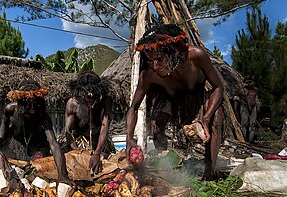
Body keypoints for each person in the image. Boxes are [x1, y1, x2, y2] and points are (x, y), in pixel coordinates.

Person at [126, 24, 224, 180]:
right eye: (150, 61)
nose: (155, 66)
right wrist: (129, 139)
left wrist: (206, 117)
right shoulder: (149, 74)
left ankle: (209, 171)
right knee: (156, 125)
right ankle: (164, 166)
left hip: (196, 94)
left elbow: (219, 87)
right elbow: (133, 108)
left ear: (175, 52)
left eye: (159, 59)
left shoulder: (196, 55)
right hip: (170, 96)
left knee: (216, 116)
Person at [0, 80, 72, 185]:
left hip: (36, 143)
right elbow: (3, 125)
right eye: (28, 104)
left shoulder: (42, 116)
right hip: (16, 141)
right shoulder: (10, 110)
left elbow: (53, 144)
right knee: (9, 165)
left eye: (35, 104)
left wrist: (63, 174)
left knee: (38, 167)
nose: (32, 109)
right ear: (21, 103)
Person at [64, 71, 115, 174]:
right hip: (79, 140)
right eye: (87, 95)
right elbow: (68, 131)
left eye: (93, 94)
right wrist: (74, 147)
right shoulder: (73, 103)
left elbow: (105, 126)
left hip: (99, 141)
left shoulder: (105, 100)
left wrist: (97, 152)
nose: (90, 97)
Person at [233, 77, 258, 143]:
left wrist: (255, 107)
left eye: (250, 82)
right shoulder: (241, 90)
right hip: (244, 107)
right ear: (244, 83)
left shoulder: (255, 90)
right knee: (244, 124)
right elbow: (236, 99)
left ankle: (251, 140)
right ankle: (244, 139)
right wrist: (236, 110)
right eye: (247, 82)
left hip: (253, 108)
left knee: (252, 124)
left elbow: (255, 100)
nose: (249, 84)